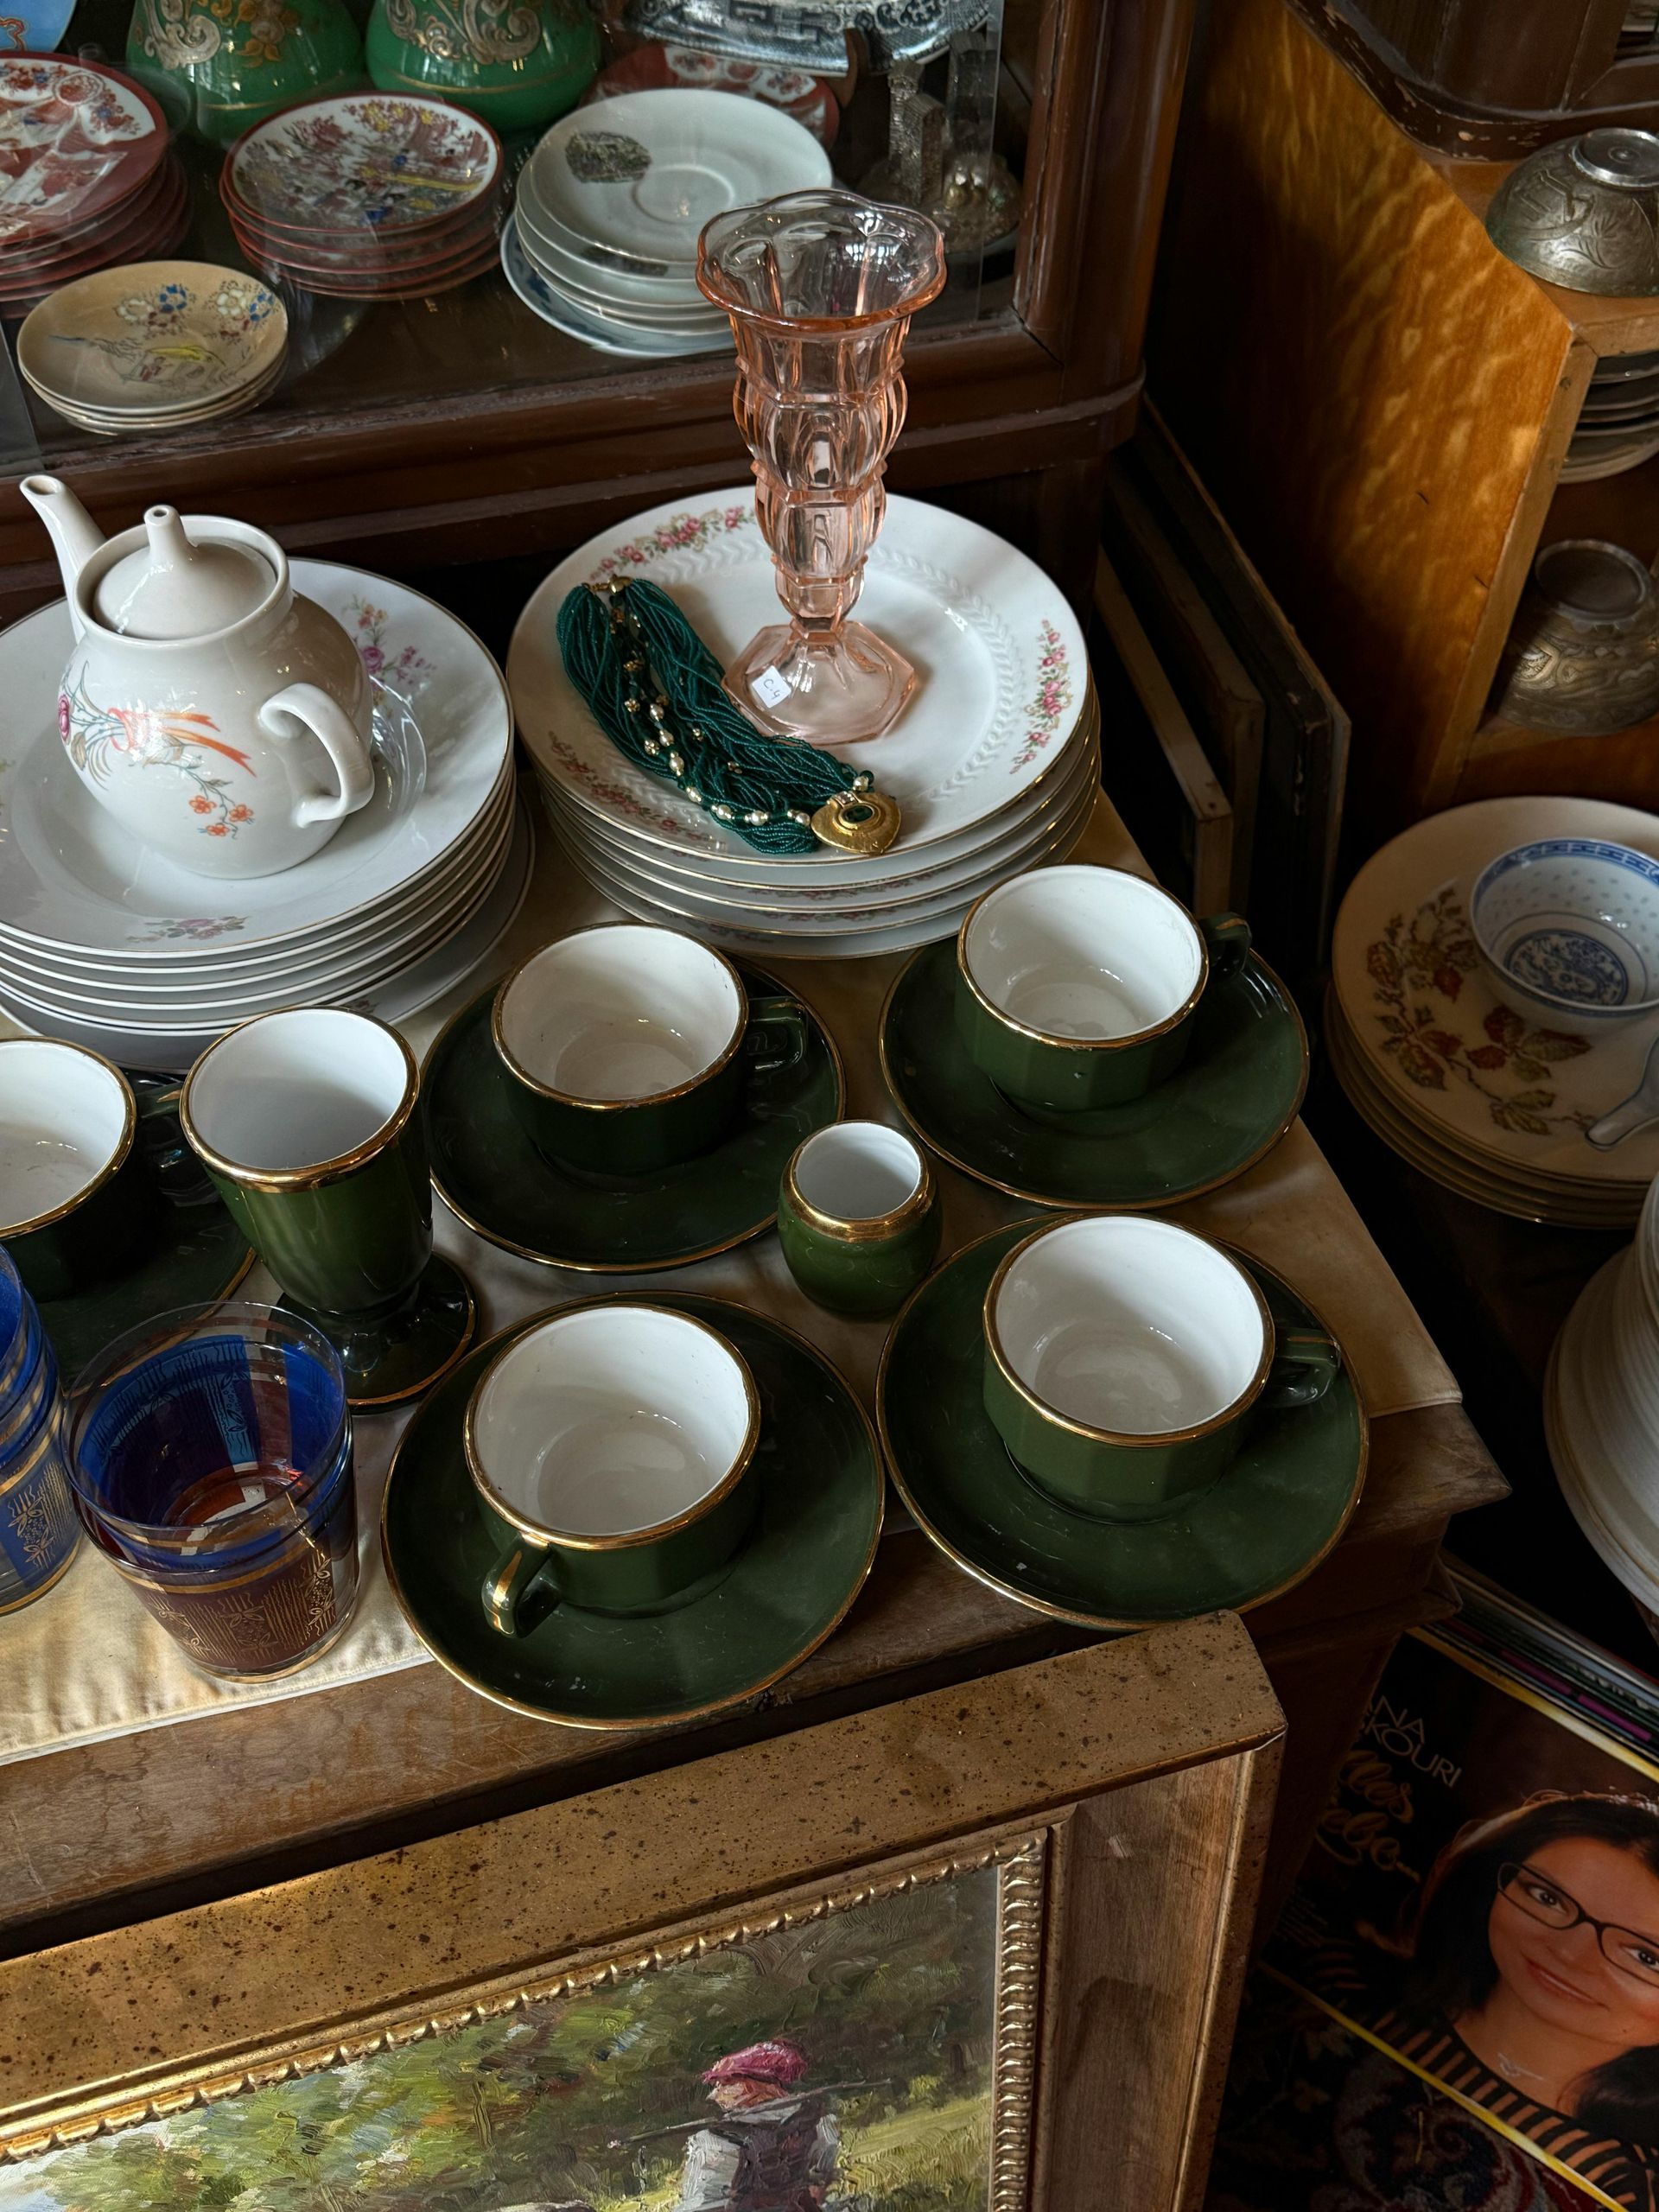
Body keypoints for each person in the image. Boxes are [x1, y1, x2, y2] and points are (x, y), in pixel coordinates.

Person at [1338, 1791, 1659, 2211]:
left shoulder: (1628, 2186)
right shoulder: (1343, 1985)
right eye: (1547, 1898)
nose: (1569, 1953)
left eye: (1645, 1956)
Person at [670, 2041, 841, 2212]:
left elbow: (700, 2204)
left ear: (754, 2084)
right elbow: (821, 2173)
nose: (715, 2095)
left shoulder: (715, 2139)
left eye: (726, 2083)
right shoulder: (815, 2118)